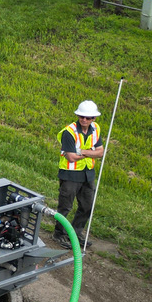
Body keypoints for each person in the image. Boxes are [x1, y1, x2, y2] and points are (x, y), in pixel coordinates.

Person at [55, 100, 104, 248]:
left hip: (87, 174)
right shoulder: (69, 132)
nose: (84, 119)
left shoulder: (95, 129)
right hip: (70, 174)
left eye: (88, 118)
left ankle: (76, 232)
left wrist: (81, 152)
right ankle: (59, 234)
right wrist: (91, 153)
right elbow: (70, 157)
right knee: (65, 206)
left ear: (93, 118)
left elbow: (100, 152)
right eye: (81, 116)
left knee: (87, 205)